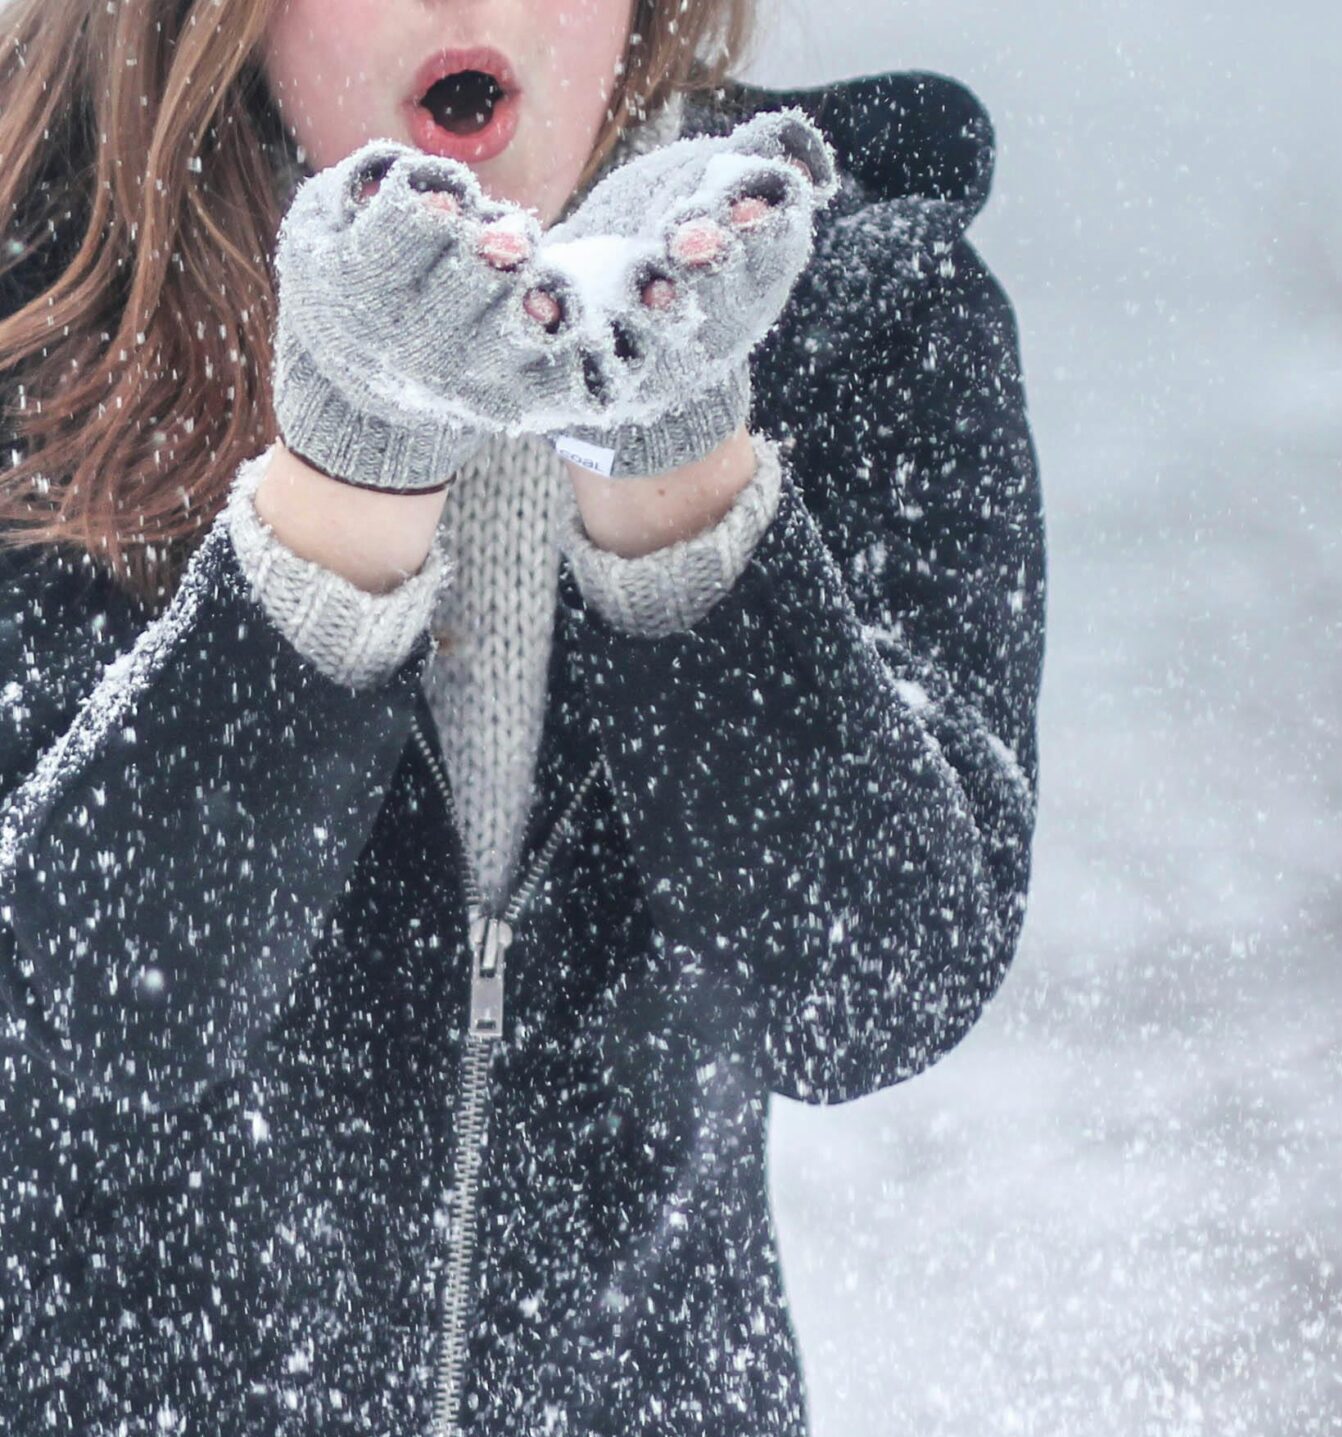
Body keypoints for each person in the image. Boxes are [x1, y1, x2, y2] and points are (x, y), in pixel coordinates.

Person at [0, 0, 1045, 1432]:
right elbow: (72, 1022)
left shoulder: (859, 309)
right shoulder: (35, 320)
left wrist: (678, 478)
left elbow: (871, 992)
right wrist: (347, 485)